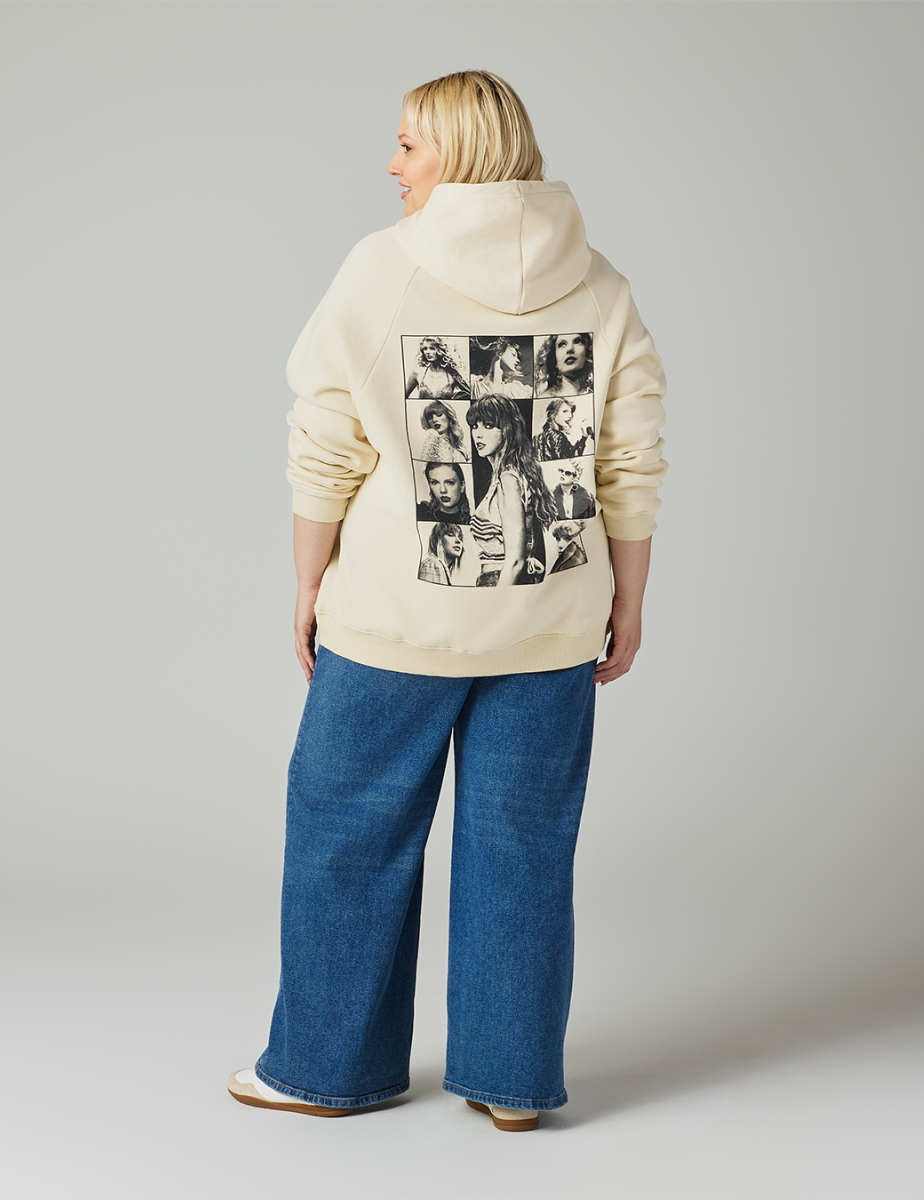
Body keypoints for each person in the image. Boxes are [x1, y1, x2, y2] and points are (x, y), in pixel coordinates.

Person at [228, 70, 667, 1132]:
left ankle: (326, 1070)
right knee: (524, 846)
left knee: (347, 830)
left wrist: (307, 581)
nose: (392, 165)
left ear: (460, 153)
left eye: (409, 145)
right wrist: (629, 600)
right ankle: (512, 1086)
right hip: (550, 622)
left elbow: (326, 439)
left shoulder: (383, 268)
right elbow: (630, 457)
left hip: (396, 621)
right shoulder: (602, 285)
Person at [468, 394, 556, 586]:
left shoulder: (508, 479)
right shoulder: (506, 474)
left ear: (507, 429)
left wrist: (500, 599)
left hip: (501, 581)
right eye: (475, 426)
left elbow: (515, 561)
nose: (478, 434)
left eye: (488, 425)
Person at [405, 336, 471, 399]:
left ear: (440, 350)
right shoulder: (417, 372)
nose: (427, 352)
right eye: (425, 349)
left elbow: (469, 392)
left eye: (432, 348)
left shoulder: (452, 373)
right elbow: (402, 397)